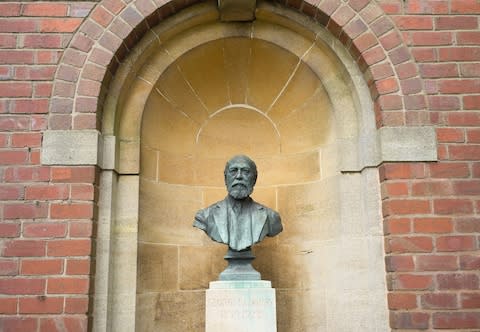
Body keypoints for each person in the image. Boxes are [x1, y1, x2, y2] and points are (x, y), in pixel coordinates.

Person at [193, 155, 283, 251]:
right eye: (233, 171)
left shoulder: (271, 217)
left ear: (254, 179)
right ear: (225, 177)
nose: (239, 176)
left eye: (245, 171)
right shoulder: (205, 216)